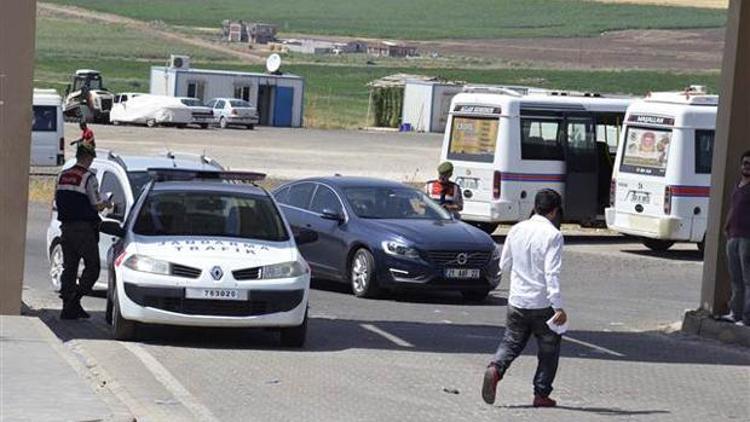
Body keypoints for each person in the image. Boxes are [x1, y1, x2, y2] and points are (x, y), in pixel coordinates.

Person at [481, 189, 567, 408]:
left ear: (535, 206)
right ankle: (541, 394)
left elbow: (504, 264)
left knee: (511, 341)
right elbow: (551, 273)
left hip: (517, 300)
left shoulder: (517, 229)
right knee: (549, 349)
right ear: (554, 211)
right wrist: (558, 306)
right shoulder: (553, 235)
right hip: (542, 303)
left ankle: (496, 368)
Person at [55, 136, 111, 320]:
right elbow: (96, 204)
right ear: (88, 158)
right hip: (83, 229)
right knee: (93, 267)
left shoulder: (63, 175)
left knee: (69, 268)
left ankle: (68, 306)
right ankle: (75, 300)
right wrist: (107, 204)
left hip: (66, 228)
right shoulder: (88, 177)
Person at [723, 150, 750, 326]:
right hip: (733, 235)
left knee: (748, 278)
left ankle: (747, 317)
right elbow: (733, 207)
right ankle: (735, 313)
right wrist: (727, 224)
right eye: (745, 163)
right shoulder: (738, 184)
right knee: (735, 277)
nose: (747, 166)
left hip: (747, 237)